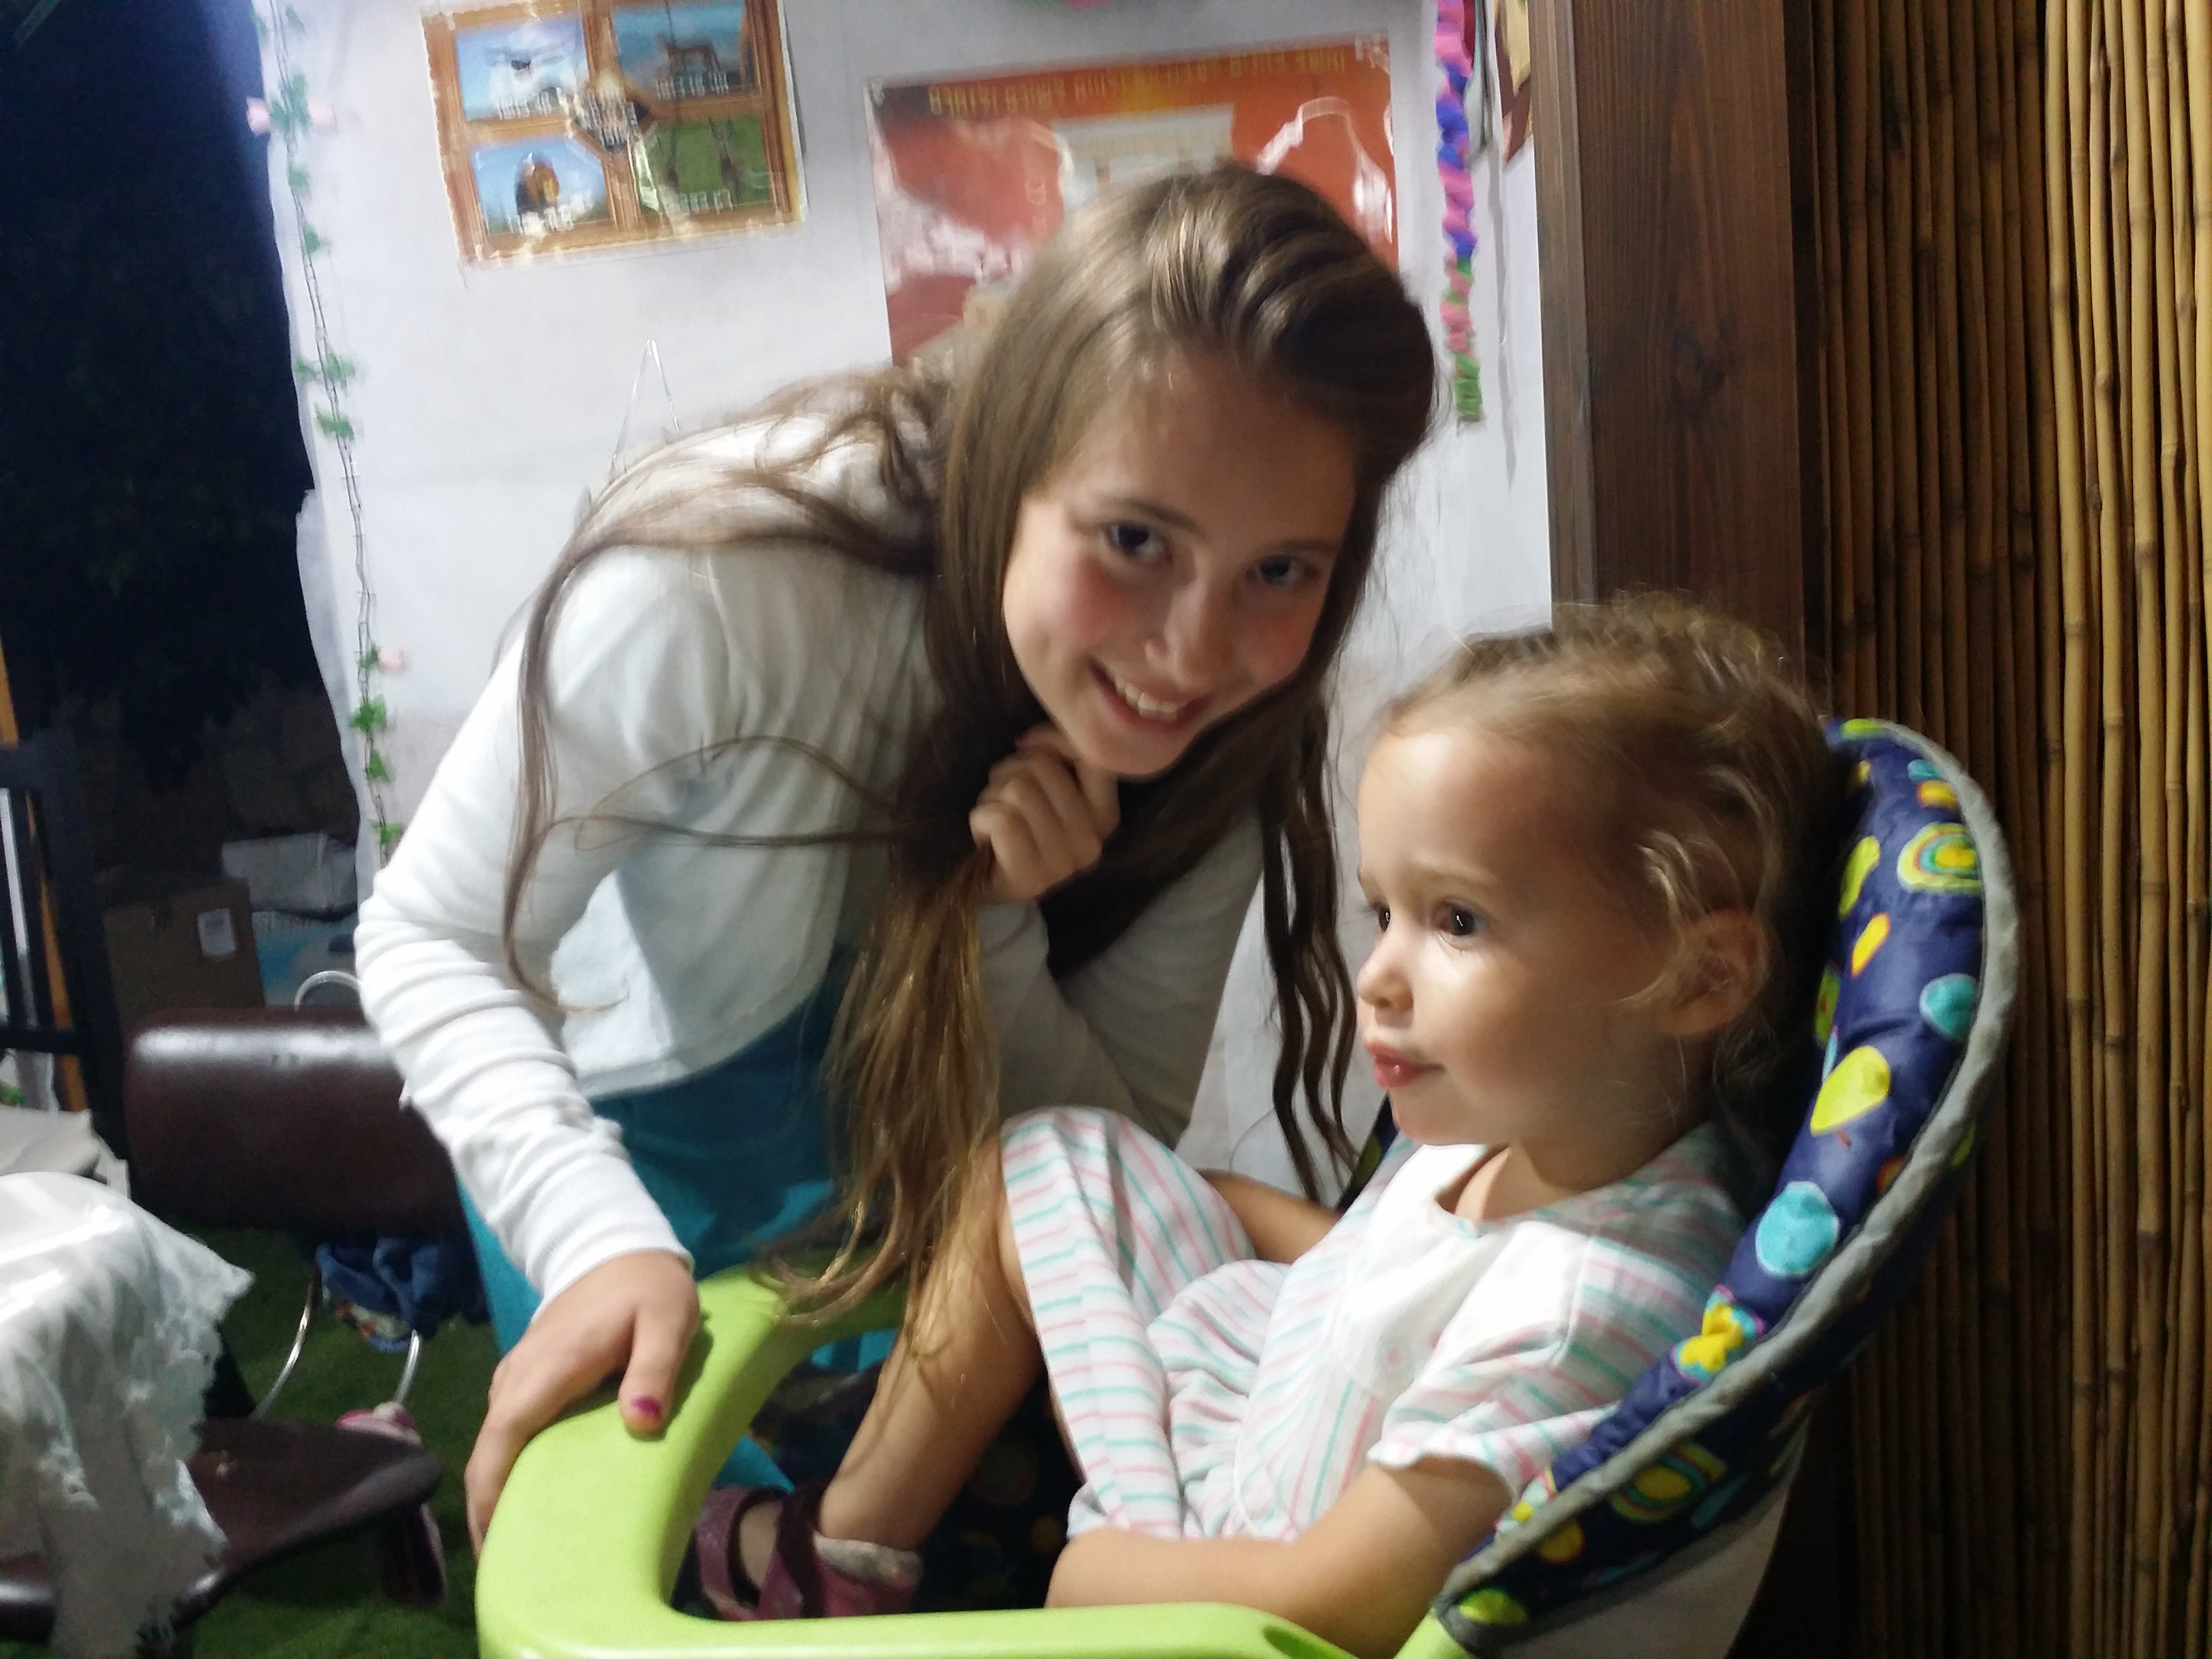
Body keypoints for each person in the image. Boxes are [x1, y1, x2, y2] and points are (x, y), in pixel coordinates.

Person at [350, 163, 1438, 1549]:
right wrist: (592, 1238)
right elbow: (433, 933)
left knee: (887, 1567)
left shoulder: (1228, 736)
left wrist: (991, 924)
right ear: (1010, 462)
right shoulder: (721, 573)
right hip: (626, 1147)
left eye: (1281, 570)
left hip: (921, 1181)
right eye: (1133, 540)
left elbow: (1099, 1154)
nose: (1192, 653)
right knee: (667, 1567)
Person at [706, 597, 1848, 1658]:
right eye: (1384, 911)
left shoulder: (1588, 1313)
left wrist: (1094, 1578)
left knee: (1054, 1186)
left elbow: (1330, 1604)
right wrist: (1216, 1204)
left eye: (1458, 920)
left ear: (1700, 977)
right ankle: (848, 1546)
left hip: (1243, 1563)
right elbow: (1403, 1267)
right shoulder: (1545, 1123)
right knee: (1059, 1154)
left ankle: (844, 1557)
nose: (1379, 975)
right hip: (1267, 1393)